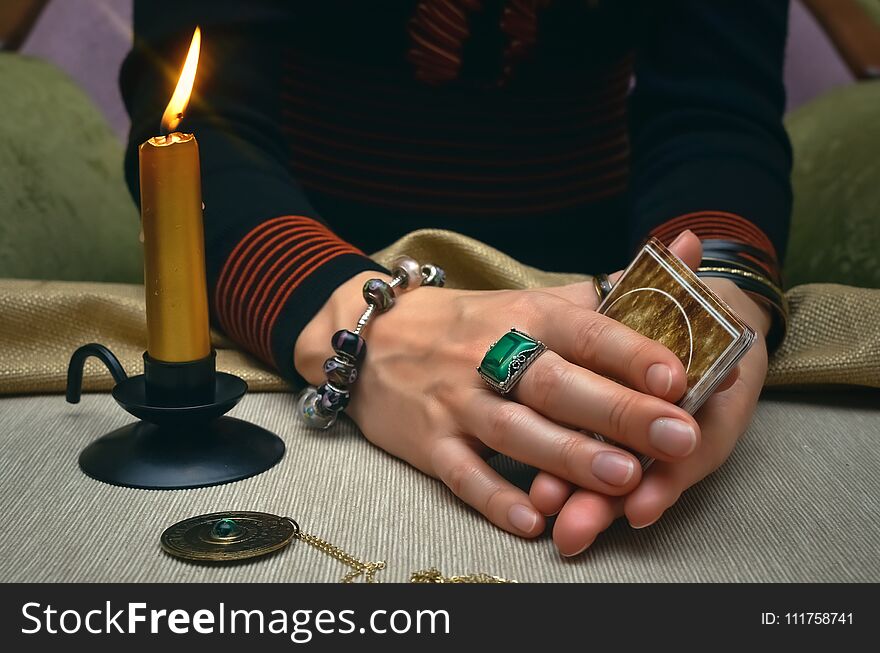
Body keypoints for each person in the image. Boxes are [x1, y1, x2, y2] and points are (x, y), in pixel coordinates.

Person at [122, 0, 791, 557]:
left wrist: (719, 287)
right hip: (300, 270)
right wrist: (353, 318)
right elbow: (197, 111)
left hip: (601, 290)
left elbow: (716, 106)